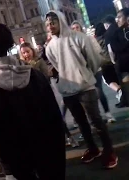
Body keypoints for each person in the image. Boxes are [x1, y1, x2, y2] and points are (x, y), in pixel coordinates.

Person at [0, 23, 66, 180]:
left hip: (20, 165)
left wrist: (9, 171)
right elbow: (55, 119)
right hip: (49, 152)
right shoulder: (35, 75)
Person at [45, 11, 118, 169]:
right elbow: (57, 66)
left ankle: (109, 150)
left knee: (96, 121)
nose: (50, 26)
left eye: (53, 22)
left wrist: (86, 75)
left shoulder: (79, 37)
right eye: (48, 24)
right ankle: (93, 148)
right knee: (81, 122)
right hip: (68, 90)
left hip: (85, 86)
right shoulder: (49, 47)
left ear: (61, 21)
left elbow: (93, 59)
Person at [71, 21, 116, 123]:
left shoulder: (89, 39)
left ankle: (108, 113)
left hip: (95, 68)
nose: (75, 30)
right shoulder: (72, 43)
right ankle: (96, 117)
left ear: (81, 28)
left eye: (77, 27)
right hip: (83, 72)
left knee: (99, 91)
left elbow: (98, 51)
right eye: (73, 28)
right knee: (87, 96)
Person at [103, 15, 128, 108]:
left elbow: (110, 50)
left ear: (107, 24)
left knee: (124, 83)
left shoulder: (108, 33)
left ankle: (125, 100)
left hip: (120, 61)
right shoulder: (121, 29)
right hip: (126, 58)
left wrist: (113, 61)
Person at [95, 23, 122, 102]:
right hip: (114, 61)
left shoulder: (96, 41)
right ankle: (122, 93)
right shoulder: (108, 37)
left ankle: (119, 92)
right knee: (117, 79)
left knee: (109, 80)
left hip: (104, 63)